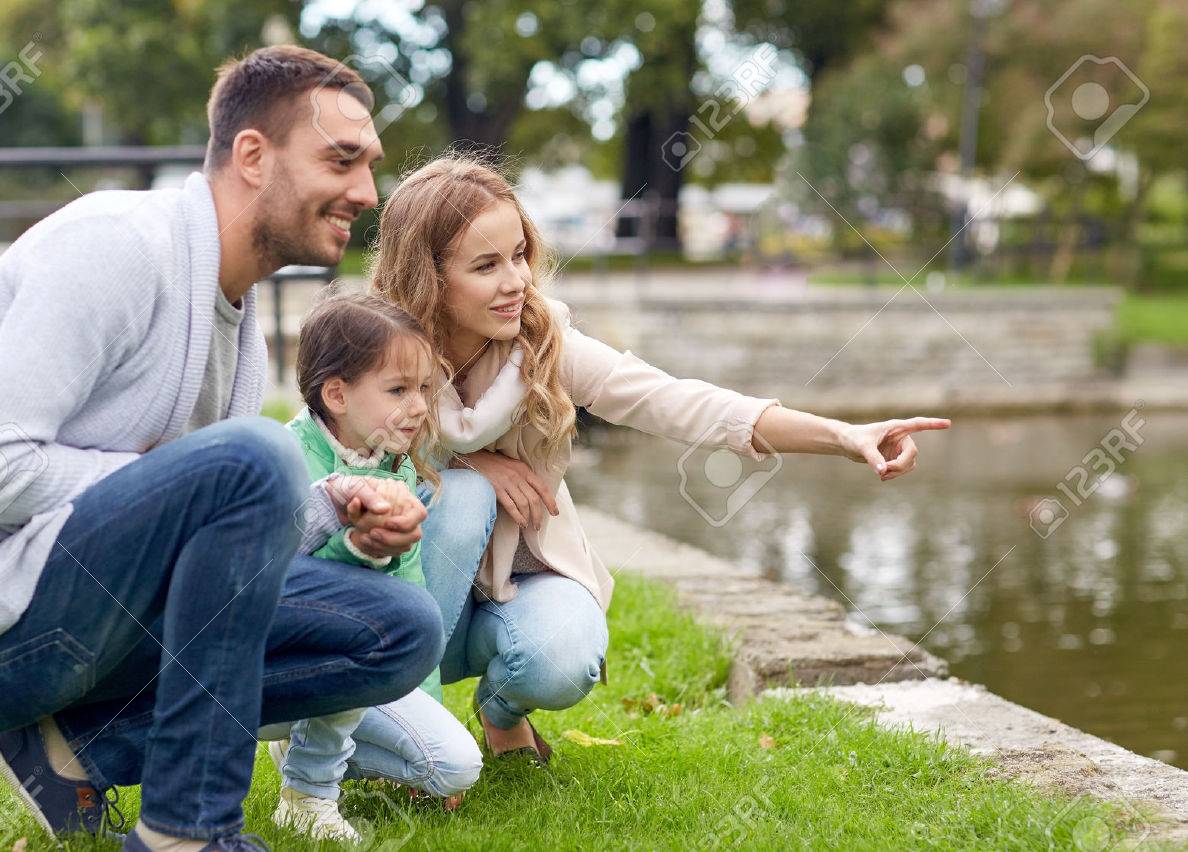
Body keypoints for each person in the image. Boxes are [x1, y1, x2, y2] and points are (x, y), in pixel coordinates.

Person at [0, 47, 495, 851]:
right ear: (252, 155)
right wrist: (181, 481)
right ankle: (187, 832)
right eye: (341, 160)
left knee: (401, 626)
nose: (366, 193)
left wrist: (327, 513)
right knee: (254, 458)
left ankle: (73, 755)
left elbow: (211, 543)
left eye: (369, 166)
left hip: (98, 620)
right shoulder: (117, 248)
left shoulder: (231, 308)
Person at [369, 154, 952, 761]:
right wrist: (471, 467)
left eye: (519, 255)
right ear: (429, 277)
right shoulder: (378, 355)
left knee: (561, 661)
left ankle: (502, 709)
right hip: (413, 588)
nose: (517, 280)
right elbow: (337, 458)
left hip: (519, 581)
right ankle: (408, 724)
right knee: (461, 500)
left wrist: (843, 436)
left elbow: (671, 400)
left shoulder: (541, 343)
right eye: (487, 265)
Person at [268, 294, 481, 843]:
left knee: (455, 765)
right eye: (398, 390)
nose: (419, 407)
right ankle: (306, 792)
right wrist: (362, 548)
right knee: (354, 626)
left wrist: (425, 703)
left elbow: (412, 597)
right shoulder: (286, 462)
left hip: (361, 651)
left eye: (425, 389)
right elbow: (292, 586)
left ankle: (314, 743)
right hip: (279, 664)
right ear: (336, 394)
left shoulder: (393, 468)